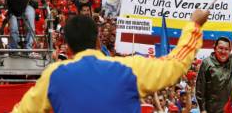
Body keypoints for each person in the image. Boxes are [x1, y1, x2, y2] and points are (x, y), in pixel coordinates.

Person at [12, 9, 209, 112]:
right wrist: (194, 25)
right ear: (98, 40)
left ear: (68, 47)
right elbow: (174, 66)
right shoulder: (127, 68)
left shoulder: (53, 76)